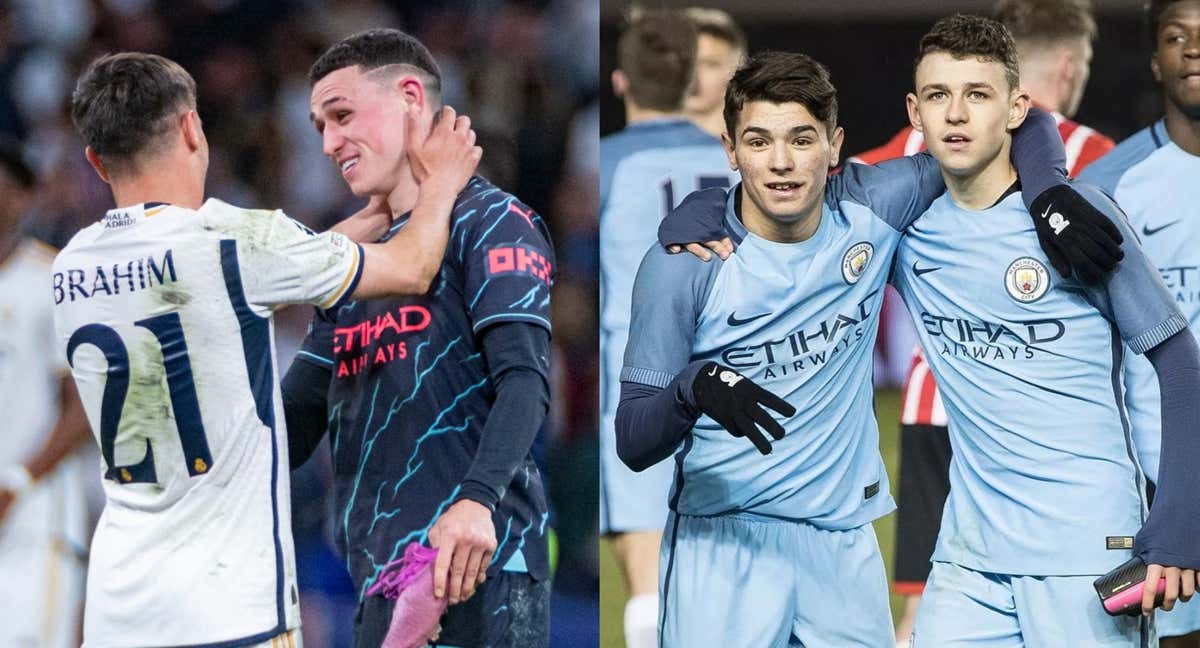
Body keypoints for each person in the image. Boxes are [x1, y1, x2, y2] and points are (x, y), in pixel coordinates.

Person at [659, 14, 1200, 646]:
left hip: (1084, 551)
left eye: (978, 95)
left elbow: (1181, 365)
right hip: (968, 559)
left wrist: (1179, 524)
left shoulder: (1079, 220)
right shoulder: (901, 225)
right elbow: (783, 188)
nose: (957, 115)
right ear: (915, 111)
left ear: (1016, 106)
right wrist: (696, 213)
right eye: (940, 96)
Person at [54, 51, 479, 647]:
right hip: (231, 611)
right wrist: (440, 184)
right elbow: (412, 267)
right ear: (190, 129)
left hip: (117, 611)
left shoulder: (69, 266)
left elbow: (228, 279)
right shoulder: (234, 241)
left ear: (97, 162)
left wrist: (372, 214)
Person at [845, 3, 1117, 642]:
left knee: (920, 610)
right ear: (1071, 66)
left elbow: (836, 179)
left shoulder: (918, 146)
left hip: (934, 409)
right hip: (1051, 444)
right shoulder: (1100, 155)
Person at [282, 29, 556, 647]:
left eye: (343, 115)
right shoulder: (356, 262)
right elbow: (294, 423)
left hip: (478, 568)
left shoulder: (491, 219)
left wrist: (476, 502)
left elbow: (525, 381)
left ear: (411, 97)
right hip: (380, 582)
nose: (328, 143)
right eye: (320, 125)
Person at [598, 10, 736, 648]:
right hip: (733, 387)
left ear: (621, 82)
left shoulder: (605, 165)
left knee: (650, 593)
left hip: (639, 387)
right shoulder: (740, 161)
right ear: (689, 81)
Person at [1080, 1, 1200, 644]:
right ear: (1156, 61)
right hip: (1165, 478)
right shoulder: (1108, 187)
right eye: (1178, 38)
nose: (1194, 50)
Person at [0, 138, 92, 648]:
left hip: (35, 527)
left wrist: (16, 481)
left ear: (22, 197)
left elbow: (81, 411)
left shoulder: (51, 279)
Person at [682, 7, 746, 138]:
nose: (693, 75)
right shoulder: (644, 150)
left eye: (710, 64)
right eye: (685, 62)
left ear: (736, 71)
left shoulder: (753, 153)